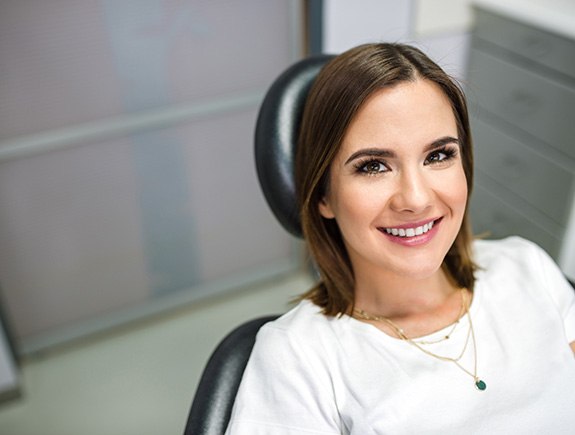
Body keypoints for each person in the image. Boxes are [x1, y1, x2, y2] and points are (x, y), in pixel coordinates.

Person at [225, 43, 575, 434]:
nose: (416, 198)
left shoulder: (528, 268)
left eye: (438, 156)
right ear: (323, 194)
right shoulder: (296, 358)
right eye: (374, 166)